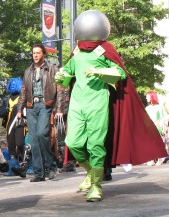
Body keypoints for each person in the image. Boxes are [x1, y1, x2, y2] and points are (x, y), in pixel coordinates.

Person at [55, 10, 167, 202]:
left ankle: (97, 185)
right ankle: (91, 173)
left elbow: (120, 74)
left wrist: (100, 72)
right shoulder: (77, 51)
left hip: (98, 103)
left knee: (96, 145)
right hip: (77, 104)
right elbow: (68, 74)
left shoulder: (105, 49)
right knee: (73, 142)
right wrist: (62, 76)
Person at [17, 43, 64, 182]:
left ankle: (51, 166)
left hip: (45, 105)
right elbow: (24, 91)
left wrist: (60, 109)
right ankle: (39, 173)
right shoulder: (28, 71)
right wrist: (20, 109)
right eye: (33, 53)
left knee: (42, 134)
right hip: (31, 107)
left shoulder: (51, 69)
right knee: (34, 140)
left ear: (43, 54)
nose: (35, 55)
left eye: (38, 53)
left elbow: (60, 89)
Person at [0, 77, 25, 176]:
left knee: (20, 144)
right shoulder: (7, 99)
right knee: (11, 145)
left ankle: (27, 165)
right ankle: (13, 167)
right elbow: (2, 112)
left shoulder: (22, 98)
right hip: (9, 125)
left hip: (20, 124)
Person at [145, 91, 166, 166]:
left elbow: (163, 118)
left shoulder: (159, 107)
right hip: (148, 127)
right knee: (149, 143)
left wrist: (163, 128)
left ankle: (160, 158)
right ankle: (151, 159)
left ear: (152, 97)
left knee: (157, 143)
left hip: (157, 126)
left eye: (147, 96)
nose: (146, 98)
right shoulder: (147, 108)